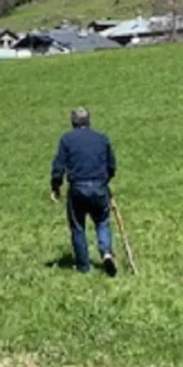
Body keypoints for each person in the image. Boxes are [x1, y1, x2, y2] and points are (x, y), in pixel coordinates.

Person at [50, 107, 117, 276]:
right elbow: (111, 165)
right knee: (102, 222)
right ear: (89, 121)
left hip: (78, 188)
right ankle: (106, 253)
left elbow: (59, 166)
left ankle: (83, 266)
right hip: (99, 186)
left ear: (72, 122)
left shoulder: (67, 139)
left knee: (78, 227)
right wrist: (105, 181)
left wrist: (56, 186)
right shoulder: (102, 139)